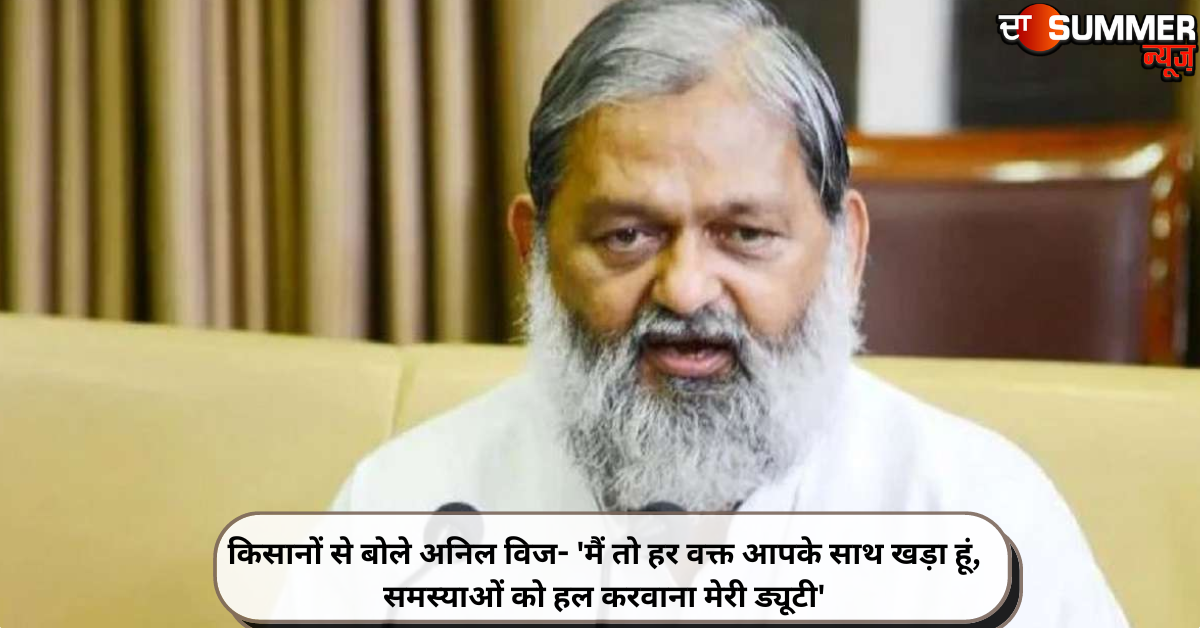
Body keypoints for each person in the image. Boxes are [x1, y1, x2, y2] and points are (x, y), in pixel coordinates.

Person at [330, 0, 1127, 624]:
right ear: (532, 251)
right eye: (627, 236)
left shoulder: (973, 510)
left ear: (847, 250)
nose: (685, 290)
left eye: (745, 235)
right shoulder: (409, 502)